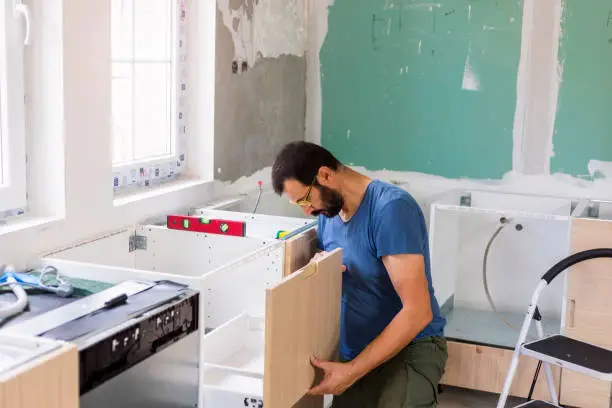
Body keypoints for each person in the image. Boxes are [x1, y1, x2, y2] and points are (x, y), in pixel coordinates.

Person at [271, 141, 448, 408]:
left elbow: (418, 311)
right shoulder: (328, 216)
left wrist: (352, 371)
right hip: (361, 350)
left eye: (305, 200)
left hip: (412, 346)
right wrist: (323, 271)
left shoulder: (391, 209)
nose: (307, 211)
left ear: (325, 175)